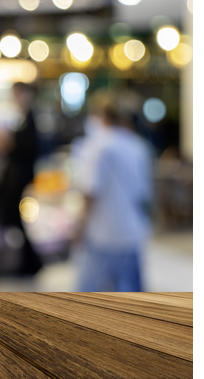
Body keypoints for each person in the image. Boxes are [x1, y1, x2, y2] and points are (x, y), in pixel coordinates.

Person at [73, 95, 153, 291]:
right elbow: (144, 194)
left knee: (88, 300)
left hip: (103, 235)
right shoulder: (138, 145)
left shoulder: (96, 146)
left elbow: (90, 192)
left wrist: (79, 227)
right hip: (132, 231)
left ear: (100, 115)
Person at [0, 82, 43, 276]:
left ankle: (31, 261)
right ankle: (28, 261)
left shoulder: (30, 117)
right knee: (14, 219)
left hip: (20, 175)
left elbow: (27, 148)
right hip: (17, 173)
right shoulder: (22, 117)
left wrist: (9, 145)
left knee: (16, 217)